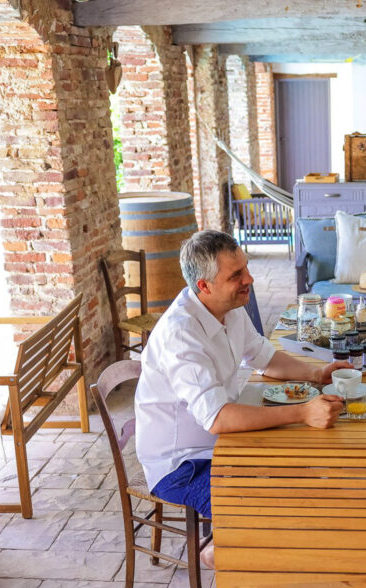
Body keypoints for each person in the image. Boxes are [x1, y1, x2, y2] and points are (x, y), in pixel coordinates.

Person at [134, 231, 349, 567]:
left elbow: (264, 357)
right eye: (236, 275)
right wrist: (301, 413)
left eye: (245, 268)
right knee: (271, 501)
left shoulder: (229, 307)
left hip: (222, 443)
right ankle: (218, 552)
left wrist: (315, 375)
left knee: (306, 472)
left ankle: (254, 542)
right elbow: (219, 417)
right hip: (183, 464)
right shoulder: (181, 334)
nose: (249, 279)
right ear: (204, 286)